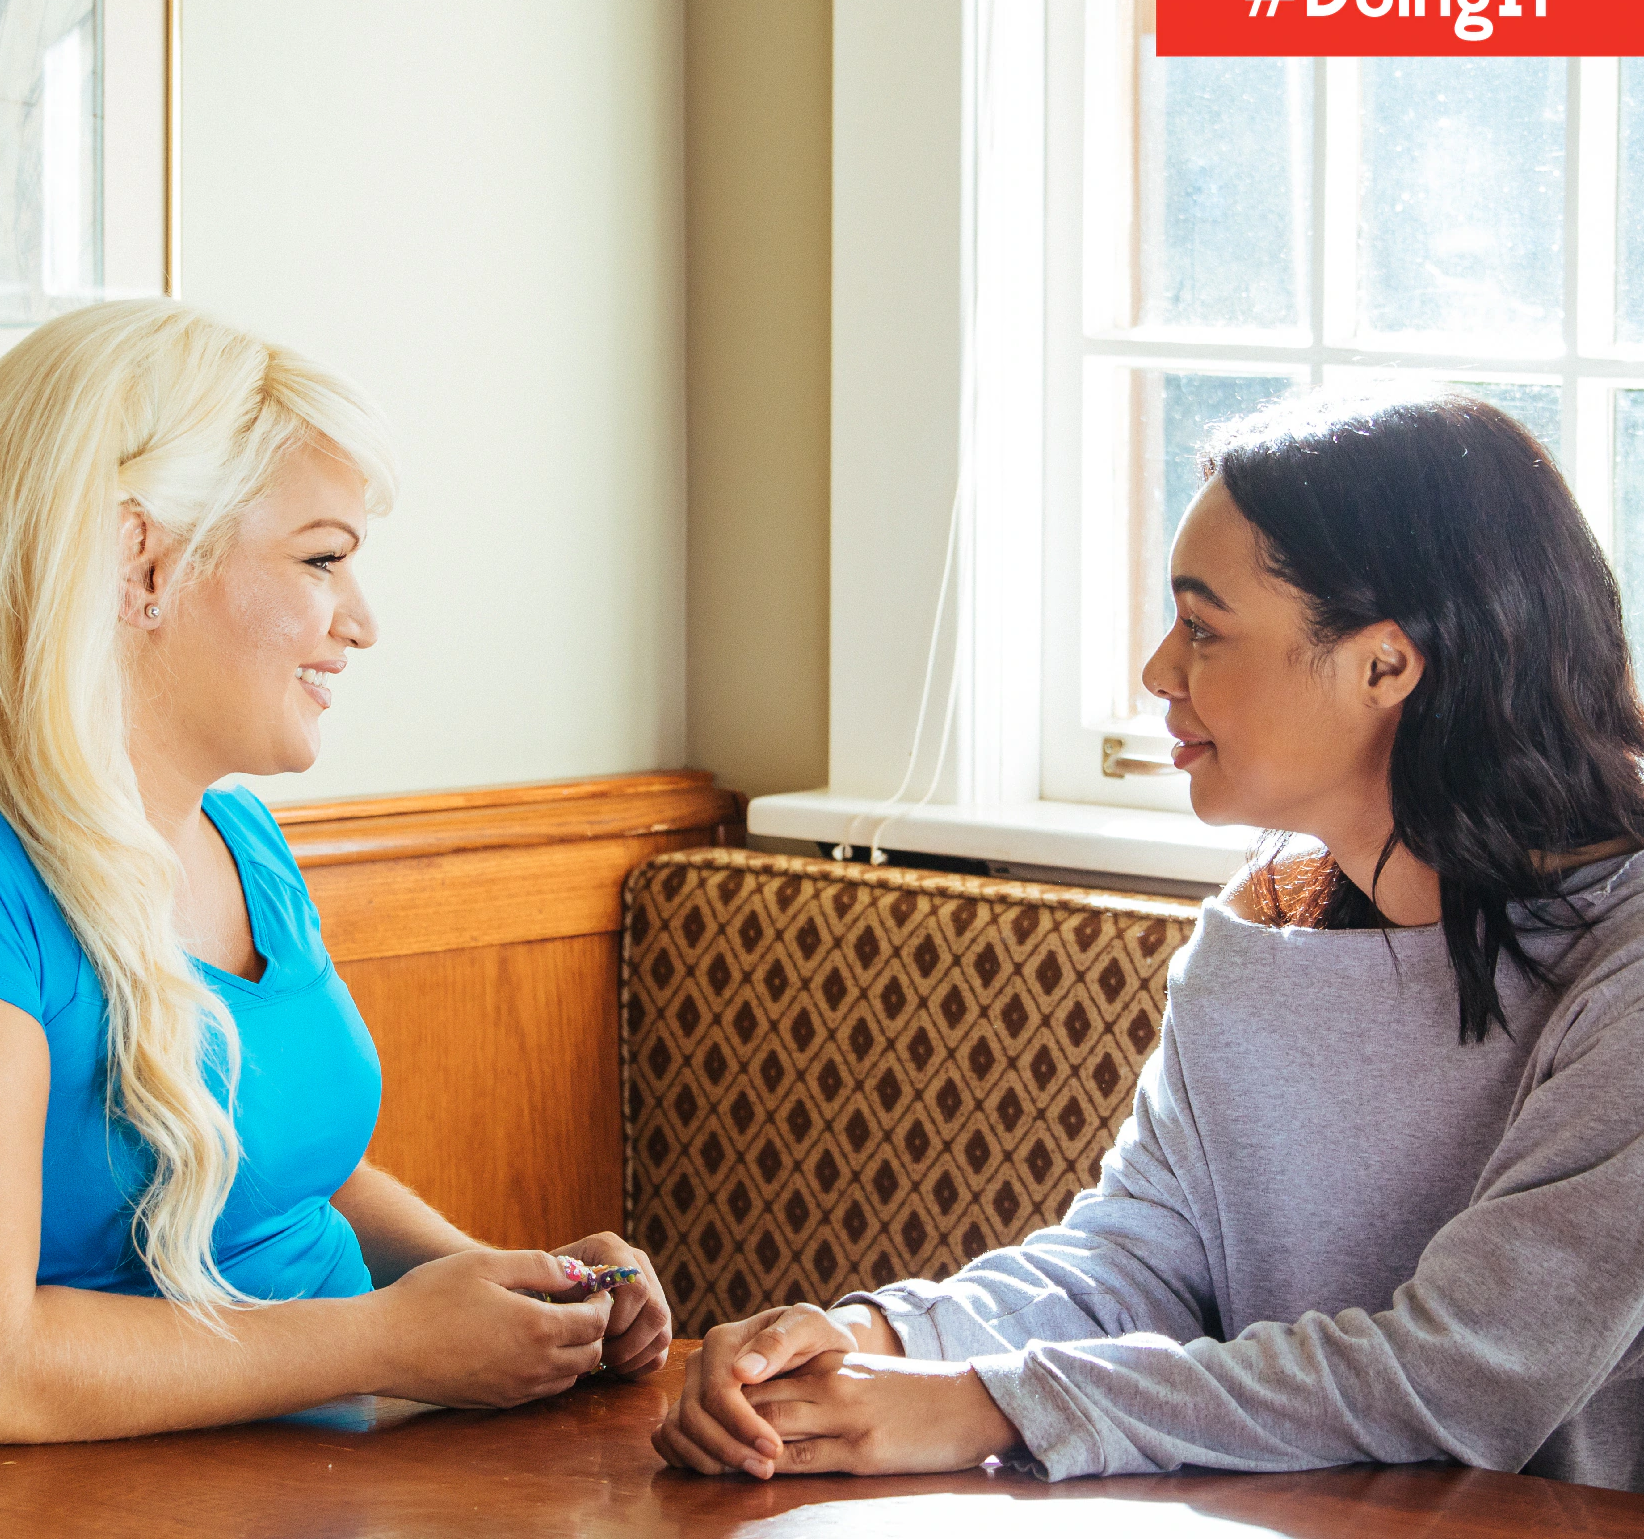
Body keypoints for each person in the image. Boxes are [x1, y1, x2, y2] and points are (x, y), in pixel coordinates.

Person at [653, 392, 1644, 1493]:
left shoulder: (1628, 976)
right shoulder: (1265, 929)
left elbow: (1461, 1376)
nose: (1158, 672)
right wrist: (877, 1340)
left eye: (1204, 628)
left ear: (1384, 667)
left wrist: (991, 1402)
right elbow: (1135, 1262)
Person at [0, 301, 669, 1463]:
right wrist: (387, 1342)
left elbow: (264, 1166)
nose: (362, 623)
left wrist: (478, 1279)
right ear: (146, 563)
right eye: (322, 559)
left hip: (315, 1474)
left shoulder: (240, 841)